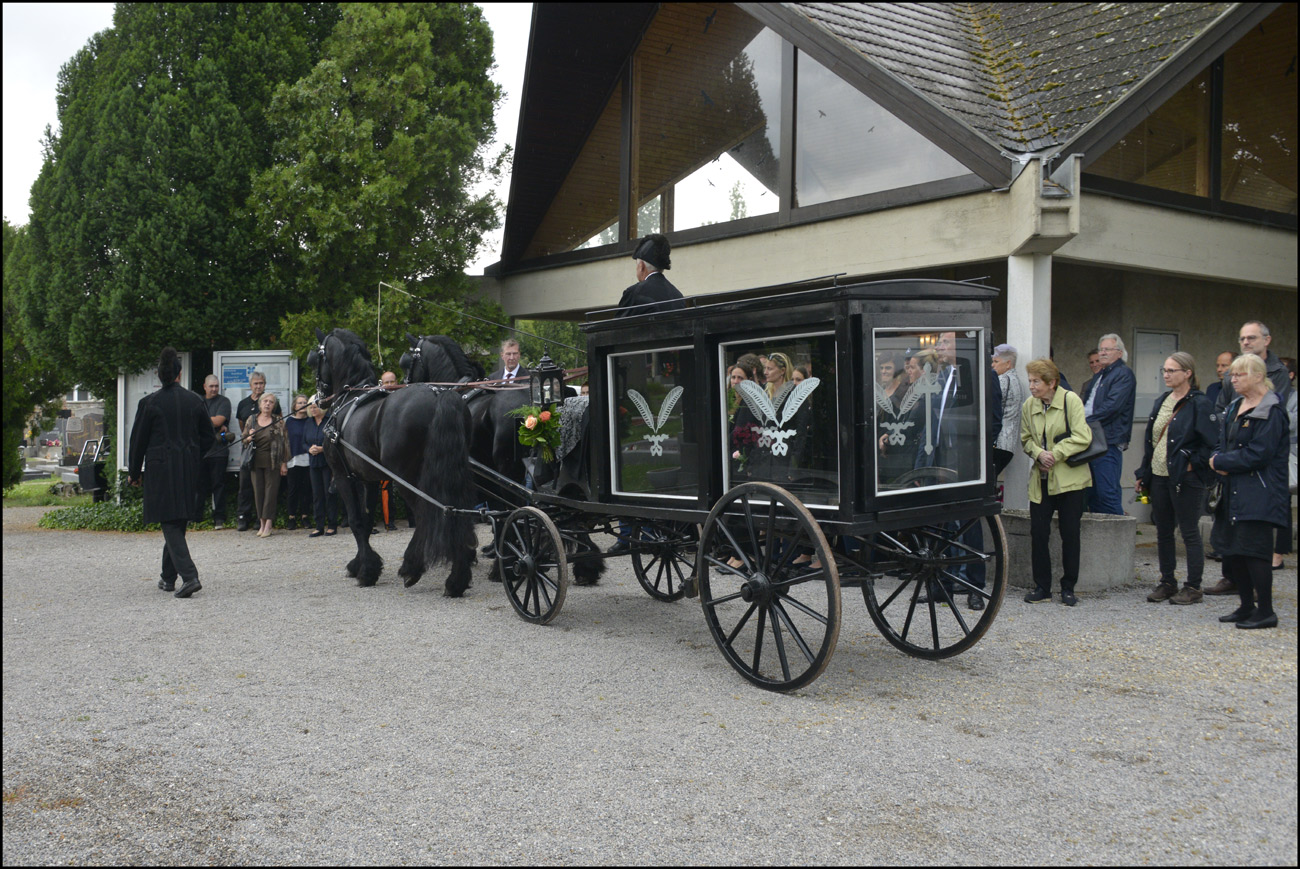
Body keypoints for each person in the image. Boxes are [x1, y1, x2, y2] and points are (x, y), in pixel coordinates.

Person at [1208, 353, 1289, 630]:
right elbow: (1221, 442)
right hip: (1232, 490)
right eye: (1232, 375)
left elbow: (1260, 454)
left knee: (1255, 553)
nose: (1233, 379)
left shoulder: (1272, 410)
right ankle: (1245, 606)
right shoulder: (1234, 407)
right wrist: (1218, 458)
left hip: (1259, 492)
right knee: (1234, 550)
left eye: (1239, 374)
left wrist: (1221, 462)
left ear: (1257, 376)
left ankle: (1265, 611)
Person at [128, 348, 214, 599]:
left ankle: (189, 577)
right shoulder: (195, 401)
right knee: (177, 521)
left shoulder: (149, 403)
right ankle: (168, 578)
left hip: (160, 471)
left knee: (170, 522)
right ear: (179, 374)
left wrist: (134, 472)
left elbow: (138, 442)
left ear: (160, 376)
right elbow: (208, 440)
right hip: (189, 470)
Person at [1134, 353, 1218, 605]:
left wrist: (1194, 463)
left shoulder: (1200, 404)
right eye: (1164, 370)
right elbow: (1151, 442)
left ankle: (1193, 586)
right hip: (1159, 475)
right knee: (1163, 531)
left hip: (1185, 477)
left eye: (1172, 370)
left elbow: (1213, 442)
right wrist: (1143, 473)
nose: (1166, 375)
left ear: (1188, 373)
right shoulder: (1163, 400)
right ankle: (1167, 581)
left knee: (1189, 531)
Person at [1020, 357, 1093, 606]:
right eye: (1030, 380)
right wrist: (1038, 453)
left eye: (1036, 381)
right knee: (1038, 533)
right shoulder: (1029, 405)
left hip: (1069, 481)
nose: (1031, 386)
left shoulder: (1070, 400)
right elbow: (1025, 438)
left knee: (1070, 533)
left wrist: (1055, 453)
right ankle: (1042, 587)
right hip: (1040, 479)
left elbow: (1083, 437)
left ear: (1051, 383)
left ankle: (1068, 587)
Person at [1083, 333, 1136, 515]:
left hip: (1108, 441)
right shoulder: (1101, 375)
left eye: (1108, 349)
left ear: (1119, 353)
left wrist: (1084, 422)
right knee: (1093, 493)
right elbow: (1088, 403)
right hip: (1092, 438)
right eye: (1101, 349)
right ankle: (1099, 540)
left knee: (1107, 493)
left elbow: (1112, 407)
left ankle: (1118, 539)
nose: (1103, 353)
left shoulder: (1123, 374)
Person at [1214, 321, 1293, 412]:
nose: (1246, 342)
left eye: (1251, 338)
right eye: (1242, 339)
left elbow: (1276, 410)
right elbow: (1220, 409)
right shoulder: (1230, 373)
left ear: (1266, 340)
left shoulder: (1278, 371)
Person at [235, 371, 279, 532]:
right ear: (250, 385)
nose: (258, 386)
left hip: (269, 455)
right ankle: (243, 517)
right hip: (250, 452)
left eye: (261, 383)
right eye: (256, 383)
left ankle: (259, 520)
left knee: (266, 487)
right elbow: (242, 427)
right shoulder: (243, 404)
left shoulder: (274, 403)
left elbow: (279, 423)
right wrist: (250, 438)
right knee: (246, 485)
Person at [241, 393, 288, 538]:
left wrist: (284, 463)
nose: (267, 404)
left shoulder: (278, 420)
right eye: (265, 401)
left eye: (271, 402)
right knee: (258, 492)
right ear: (260, 404)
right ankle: (261, 523)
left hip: (273, 461)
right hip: (255, 461)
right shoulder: (252, 419)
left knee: (271, 493)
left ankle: (269, 524)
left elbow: (285, 443)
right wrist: (249, 437)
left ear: (274, 406)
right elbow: (243, 440)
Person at [196, 374, 233, 530]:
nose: (214, 389)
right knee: (198, 485)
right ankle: (196, 517)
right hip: (200, 451)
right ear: (204, 386)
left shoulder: (224, 401)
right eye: (211, 386)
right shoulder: (198, 401)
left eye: (216, 386)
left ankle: (219, 518)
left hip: (219, 451)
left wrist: (202, 420)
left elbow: (219, 421)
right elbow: (193, 420)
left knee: (218, 485)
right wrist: (212, 421)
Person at [616, 233, 684, 317]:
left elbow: (619, 328)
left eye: (636, 265)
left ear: (641, 266)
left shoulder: (634, 293)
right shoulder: (678, 296)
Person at [303, 400, 338, 537]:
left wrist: (323, 449)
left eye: (315, 407)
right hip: (314, 463)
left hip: (328, 462)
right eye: (311, 407)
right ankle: (319, 525)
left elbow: (335, 441)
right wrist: (309, 449)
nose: (313, 409)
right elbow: (303, 443)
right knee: (317, 495)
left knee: (329, 493)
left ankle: (332, 524)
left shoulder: (330, 421)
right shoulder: (308, 423)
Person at [991, 344, 1024, 478]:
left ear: (1008, 364)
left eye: (996, 362)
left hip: (998, 442)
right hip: (1007, 444)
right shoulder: (1016, 381)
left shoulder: (1003, 380)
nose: (992, 365)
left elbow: (991, 405)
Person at [283, 394, 312, 531]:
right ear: (294, 406)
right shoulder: (289, 422)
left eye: (305, 402)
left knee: (306, 490)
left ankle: (305, 516)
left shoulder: (310, 421)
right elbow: (284, 442)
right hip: (293, 460)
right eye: (300, 403)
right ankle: (291, 517)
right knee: (293, 490)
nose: (302, 405)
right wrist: (283, 462)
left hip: (308, 458)